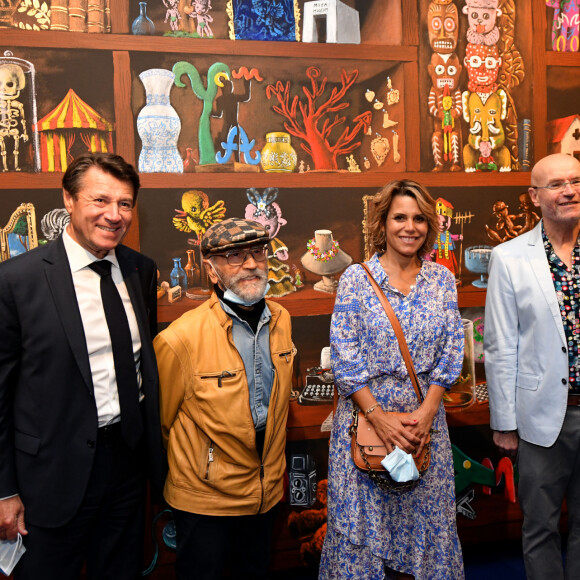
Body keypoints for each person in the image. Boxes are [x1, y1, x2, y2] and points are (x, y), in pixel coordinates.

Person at [0, 152, 164, 579]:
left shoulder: (140, 271)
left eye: (125, 204)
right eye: (100, 201)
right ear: (68, 201)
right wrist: (4, 490)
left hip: (128, 471)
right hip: (50, 477)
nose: (114, 215)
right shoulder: (16, 280)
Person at [319, 180, 464, 580]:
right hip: (365, 423)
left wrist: (428, 411)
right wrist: (379, 417)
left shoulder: (442, 280)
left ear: (429, 225)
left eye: (419, 218)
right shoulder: (355, 278)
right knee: (361, 534)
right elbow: (344, 355)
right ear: (382, 223)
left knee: (428, 527)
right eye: (400, 217)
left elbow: (452, 349)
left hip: (424, 426)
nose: (409, 227)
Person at [154, 217, 295, 580]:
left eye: (257, 252)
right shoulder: (179, 339)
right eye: (234, 256)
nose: (250, 264)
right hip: (206, 502)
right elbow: (161, 425)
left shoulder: (282, 319)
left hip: (265, 495)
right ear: (212, 270)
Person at [485, 153, 580, 579]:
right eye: (557, 184)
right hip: (542, 415)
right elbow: (500, 344)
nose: (570, 191)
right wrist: (504, 422)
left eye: (576, 181)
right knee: (540, 525)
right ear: (534, 196)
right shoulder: (509, 258)